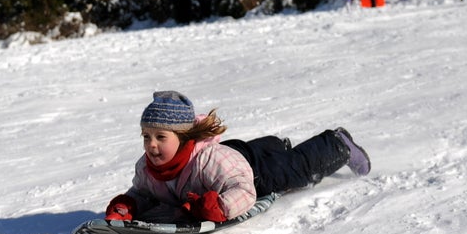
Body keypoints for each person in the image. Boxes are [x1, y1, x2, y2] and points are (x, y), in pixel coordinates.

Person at [104, 91, 371, 224]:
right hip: (235, 157)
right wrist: (128, 205)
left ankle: (337, 144)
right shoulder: (147, 167)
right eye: (146, 136)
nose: (151, 146)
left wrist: (220, 208)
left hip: (251, 174)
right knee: (259, 153)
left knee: (295, 171)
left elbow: (244, 190)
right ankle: (276, 146)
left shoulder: (208, 160)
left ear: (184, 138)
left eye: (161, 137)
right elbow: (142, 192)